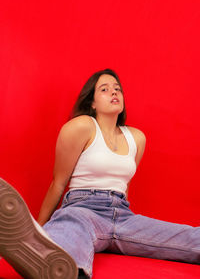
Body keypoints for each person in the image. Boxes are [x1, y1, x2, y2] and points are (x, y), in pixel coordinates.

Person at [0, 69, 200, 279]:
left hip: (122, 216)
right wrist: (38, 231)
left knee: (187, 237)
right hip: (83, 208)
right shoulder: (81, 127)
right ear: (92, 103)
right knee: (70, 229)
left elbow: (125, 185)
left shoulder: (136, 138)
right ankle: (58, 267)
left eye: (117, 89)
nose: (114, 92)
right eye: (104, 89)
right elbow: (58, 183)